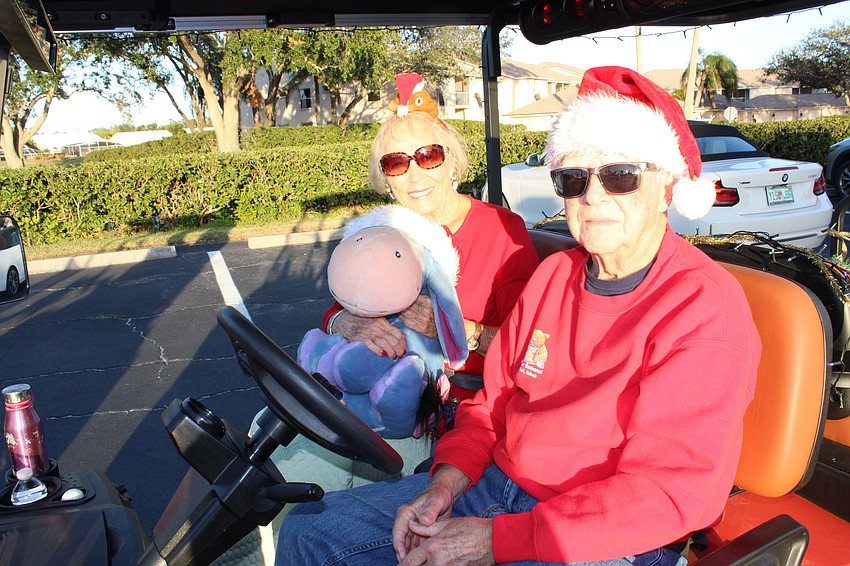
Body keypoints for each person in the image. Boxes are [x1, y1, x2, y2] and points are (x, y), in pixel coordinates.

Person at [276, 66, 761, 566]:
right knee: (312, 529)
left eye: (620, 175)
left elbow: (667, 494)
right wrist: (443, 484)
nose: (593, 195)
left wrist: (498, 541)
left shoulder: (702, 307)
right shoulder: (554, 277)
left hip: (601, 528)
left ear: (667, 187)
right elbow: (490, 406)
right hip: (496, 488)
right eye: (574, 178)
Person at [257, 73, 539, 541]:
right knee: (267, 445)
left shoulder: (502, 233)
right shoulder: (389, 231)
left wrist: (459, 329)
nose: (414, 173)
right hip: (370, 388)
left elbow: (528, 348)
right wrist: (348, 322)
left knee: (291, 470)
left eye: (427, 155)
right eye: (395, 162)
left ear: (453, 164)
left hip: (450, 410)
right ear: (386, 180)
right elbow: (337, 309)